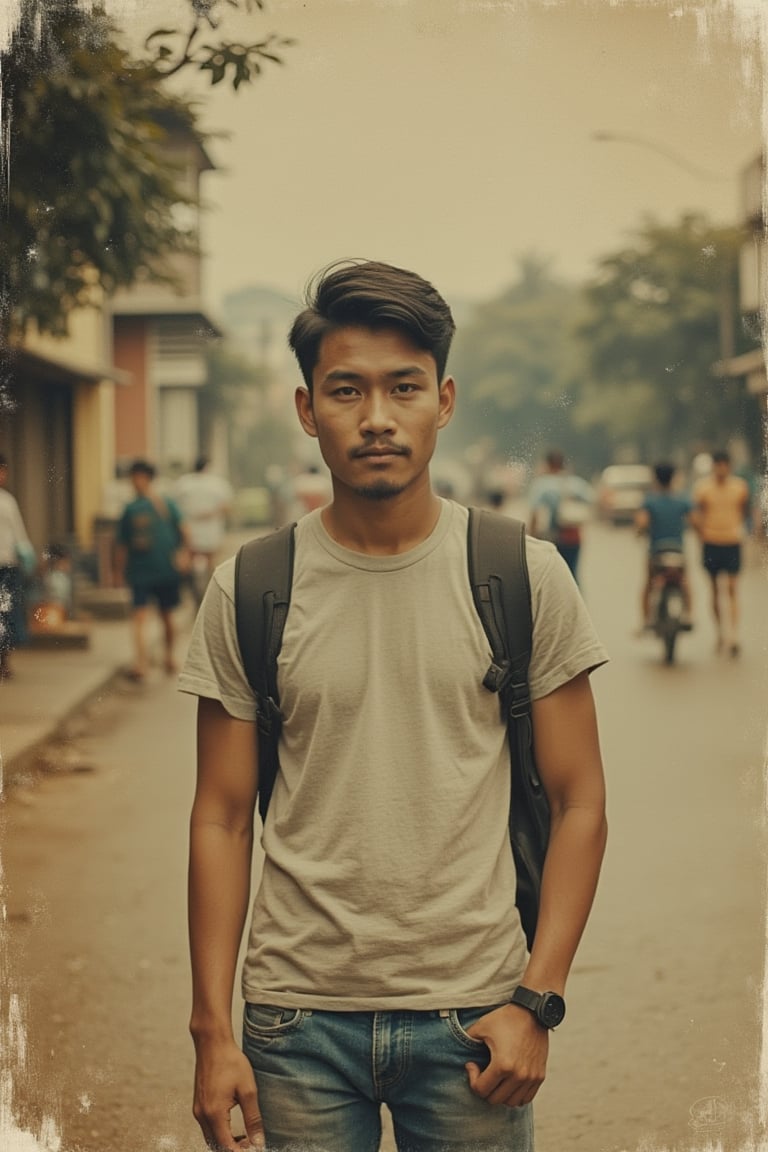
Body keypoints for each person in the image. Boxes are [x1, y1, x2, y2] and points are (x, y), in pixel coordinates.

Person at [179, 260, 608, 1152]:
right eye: (346, 390)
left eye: (403, 387)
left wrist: (538, 1001)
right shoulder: (251, 587)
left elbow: (581, 804)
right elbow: (219, 817)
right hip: (295, 1023)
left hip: (473, 1016)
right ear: (308, 410)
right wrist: (212, 1032)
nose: (376, 417)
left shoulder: (520, 576)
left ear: (442, 401)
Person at [114, 459, 189, 680]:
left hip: (165, 570)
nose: (135, 482)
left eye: (138, 477)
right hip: (139, 572)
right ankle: (141, 663)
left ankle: (169, 656)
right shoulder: (129, 509)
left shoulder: (165, 503)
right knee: (139, 616)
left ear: (147, 478)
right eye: (132, 478)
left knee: (166, 615)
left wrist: (184, 554)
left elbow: (185, 530)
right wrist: (118, 571)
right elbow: (121, 544)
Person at [691, 448, 750, 657]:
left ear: (729, 466)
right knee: (715, 589)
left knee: (732, 588)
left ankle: (733, 635)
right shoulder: (703, 489)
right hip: (711, 542)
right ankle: (720, 634)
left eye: (724, 465)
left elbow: (745, 512)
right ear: (714, 467)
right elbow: (697, 514)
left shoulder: (740, 488)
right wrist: (701, 533)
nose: (721, 469)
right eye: (718, 465)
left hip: (732, 541)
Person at [634, 462, 693, 631]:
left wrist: (639, 532)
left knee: (649, 583)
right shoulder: (682, 500)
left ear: (655, 478)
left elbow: (641, 523)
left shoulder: (650, 501)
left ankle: (645, 620)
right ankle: (688, 614)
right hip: (678, 550)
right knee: (685, 581)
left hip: (657, 551)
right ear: (673, 477)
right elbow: (695, 521)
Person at [174, 456, 234, 603]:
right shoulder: (217, 484)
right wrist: (211, 513)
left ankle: (191, 594)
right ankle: (210, 595)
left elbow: (175, 507)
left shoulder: (183, 483)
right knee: (211, 563)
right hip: (211, 531)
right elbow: (226, 507)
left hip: (189, 531)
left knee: (188, 562)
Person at [527, 450, 593, 582]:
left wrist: (532, 538)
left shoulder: (542, 484)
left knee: (554, 576)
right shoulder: (576, 482)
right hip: (574, 536)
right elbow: (591, 500)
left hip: (554, 538)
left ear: (548, 464)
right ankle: (576, 601)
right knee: (572, 574)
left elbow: (534, 513)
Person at [0, 453, 34, 679]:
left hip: (7, 566)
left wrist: (27, 557)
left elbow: (20, 535)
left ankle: (4, 661)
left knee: (6, 615)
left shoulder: (7, 500)